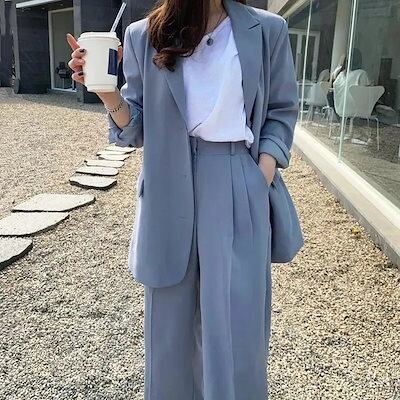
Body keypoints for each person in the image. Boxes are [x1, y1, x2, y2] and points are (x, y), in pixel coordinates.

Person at [67, 0, 299, 398]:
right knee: (168, 331)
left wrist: (259, 174)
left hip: (236, 179)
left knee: (236, 326)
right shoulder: (144, 34)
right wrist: (106, 93)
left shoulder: (267, 29)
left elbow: (281, 110)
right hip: (166, 187)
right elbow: (135, 128)